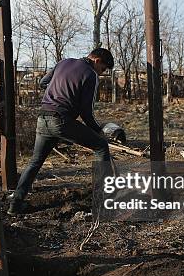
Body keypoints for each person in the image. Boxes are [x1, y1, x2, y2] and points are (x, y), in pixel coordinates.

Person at [7, 48, 114, 215]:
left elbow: (43, 82)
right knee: (101, 146)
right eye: (102, 70)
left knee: (35, 161)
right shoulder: (90, 74)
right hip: (61, 121)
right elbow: (86, 112)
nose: (100, 74)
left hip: (43, 118)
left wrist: (58, 92)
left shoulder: (64, 62)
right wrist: (98, 130)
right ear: (97, 60)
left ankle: (15, 203)